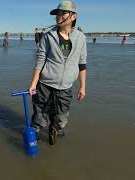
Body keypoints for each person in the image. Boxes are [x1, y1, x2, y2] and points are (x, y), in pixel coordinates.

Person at [29, 0, 87, 145]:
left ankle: (54, 128)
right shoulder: (48, 36)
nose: (59, 17)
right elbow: (40, 60)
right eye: (57, 14)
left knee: (61, 117)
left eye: (63, 13)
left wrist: (82, 87)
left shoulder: (81, 38)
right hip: (45, 84)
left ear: (73, 16)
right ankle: (34, 135)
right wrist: (33, 84)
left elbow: (82, 63)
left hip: (66, 86)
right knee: (40, 114)